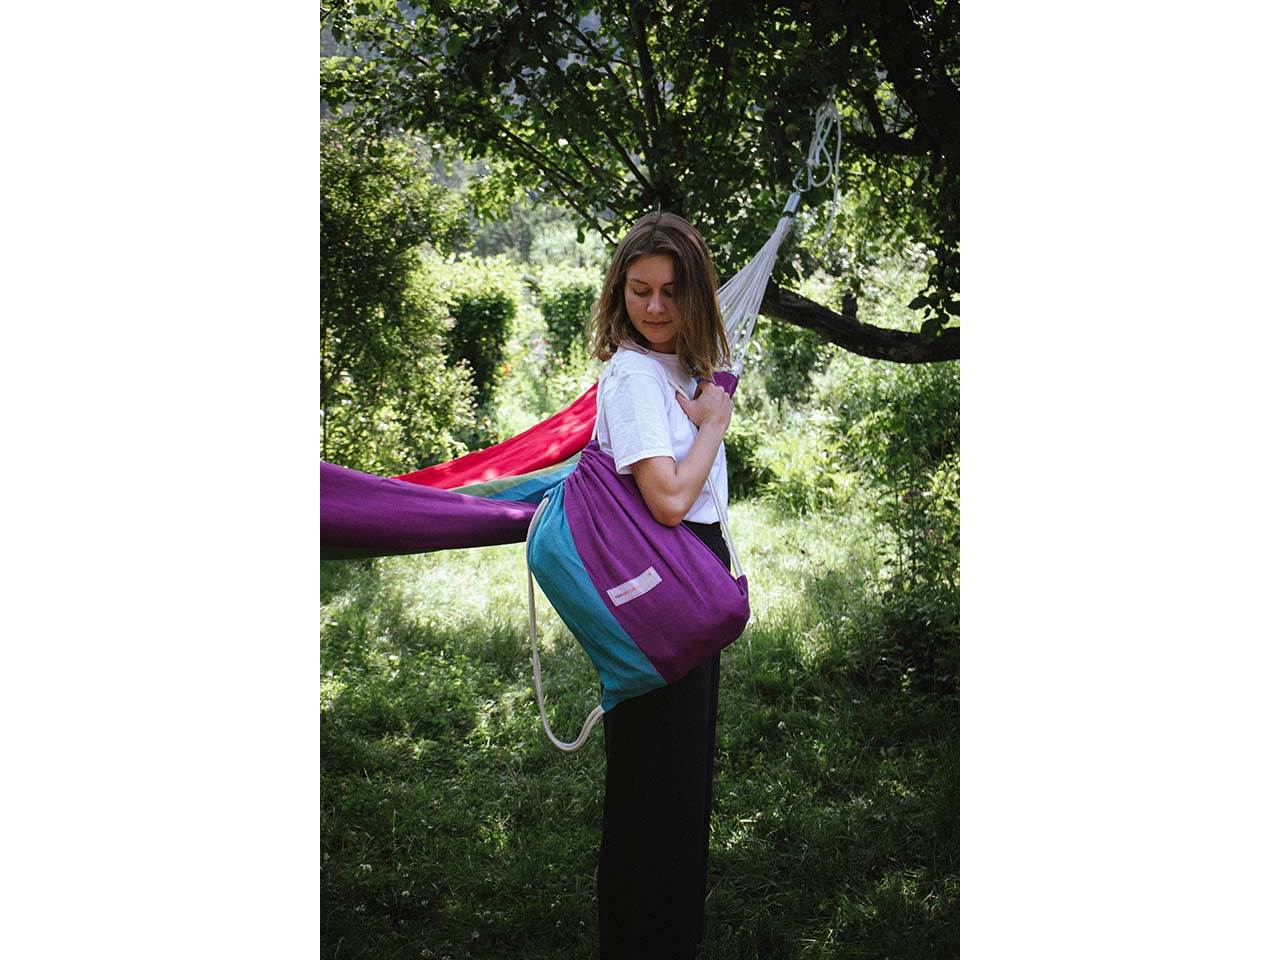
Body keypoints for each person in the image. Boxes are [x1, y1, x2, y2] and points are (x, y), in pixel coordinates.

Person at [587, 211, 734, 959]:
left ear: (696, 295)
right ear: (619, 291)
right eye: (639, 289)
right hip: (659, 594)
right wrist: (713, 425)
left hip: (684, 586)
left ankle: (665, 938)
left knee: (677, 786)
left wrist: (707, 406)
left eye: (671, 291)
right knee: (656, 789)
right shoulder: (636, 376)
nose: (653, 306)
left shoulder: (676, 368)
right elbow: (670, 499)